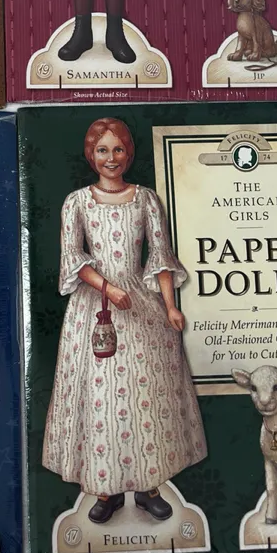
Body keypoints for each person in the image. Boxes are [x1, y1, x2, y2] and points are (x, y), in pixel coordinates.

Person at [42, 118, 206, 524]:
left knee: (143, 395)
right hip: (94, 308)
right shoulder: (77, 202)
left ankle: (148, 488)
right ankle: (106, 490)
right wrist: (108, 289)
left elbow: (160, 258)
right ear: (91, 154)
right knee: (102, 398)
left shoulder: (146, 198)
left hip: (141, 305)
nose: (111, 158)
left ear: (128, 153)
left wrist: (170, 306)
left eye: (118, 149)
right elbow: (73, 258)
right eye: (103, 150)